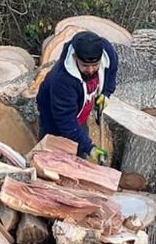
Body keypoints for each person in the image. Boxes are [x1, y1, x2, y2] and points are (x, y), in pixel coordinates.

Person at [36, 29, 118, 163]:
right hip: (54, 115)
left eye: (95, 65)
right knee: (52, 157)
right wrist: (90, 148)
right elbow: (66, 121)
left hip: (80, 108)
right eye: (85, 66)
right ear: (75, 57)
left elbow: (112, 71)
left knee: (79, 154)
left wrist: (105, 93)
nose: (91, 70)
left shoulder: (107, 52)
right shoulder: (63, 80)